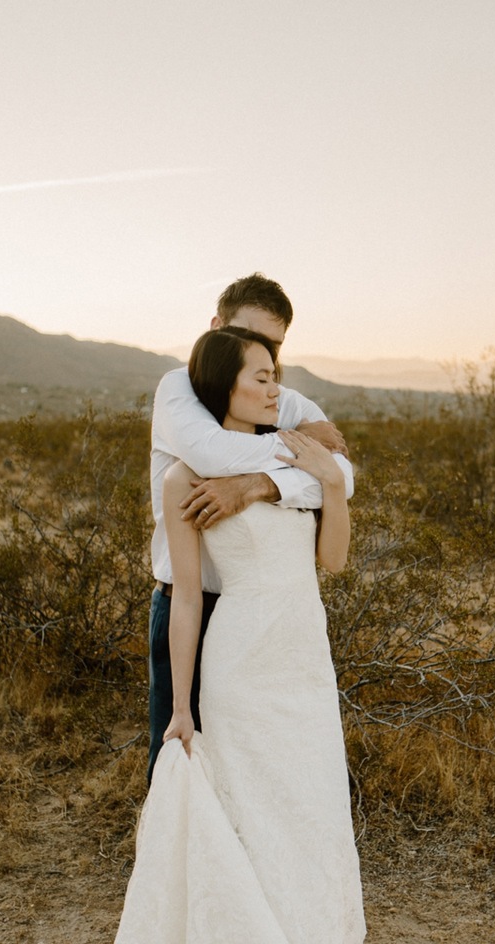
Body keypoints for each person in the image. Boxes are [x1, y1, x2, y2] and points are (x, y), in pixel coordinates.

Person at [102, 327, 366, 944]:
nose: (276, 388)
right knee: (251, 805)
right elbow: (187, 600)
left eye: (276, 375)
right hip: (242, 656)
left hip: (304, 657)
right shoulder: (184, 478)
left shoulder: (297, 455)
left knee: (307, 804)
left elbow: (333, 562)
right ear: (223, 386)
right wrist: (181, 706)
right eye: (261, 376)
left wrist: (334, 484)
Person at [148, 273, 353, 783]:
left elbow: (341, 477)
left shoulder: (280, 398)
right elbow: (207, 453)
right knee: (184, 765)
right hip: (188, 602)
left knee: (268, 772)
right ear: (216, 330)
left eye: (274, 350)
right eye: (249, 341)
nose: (268, 366)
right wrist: (299, 447)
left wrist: (259, 484)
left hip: (278, 623)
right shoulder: (180, 387)